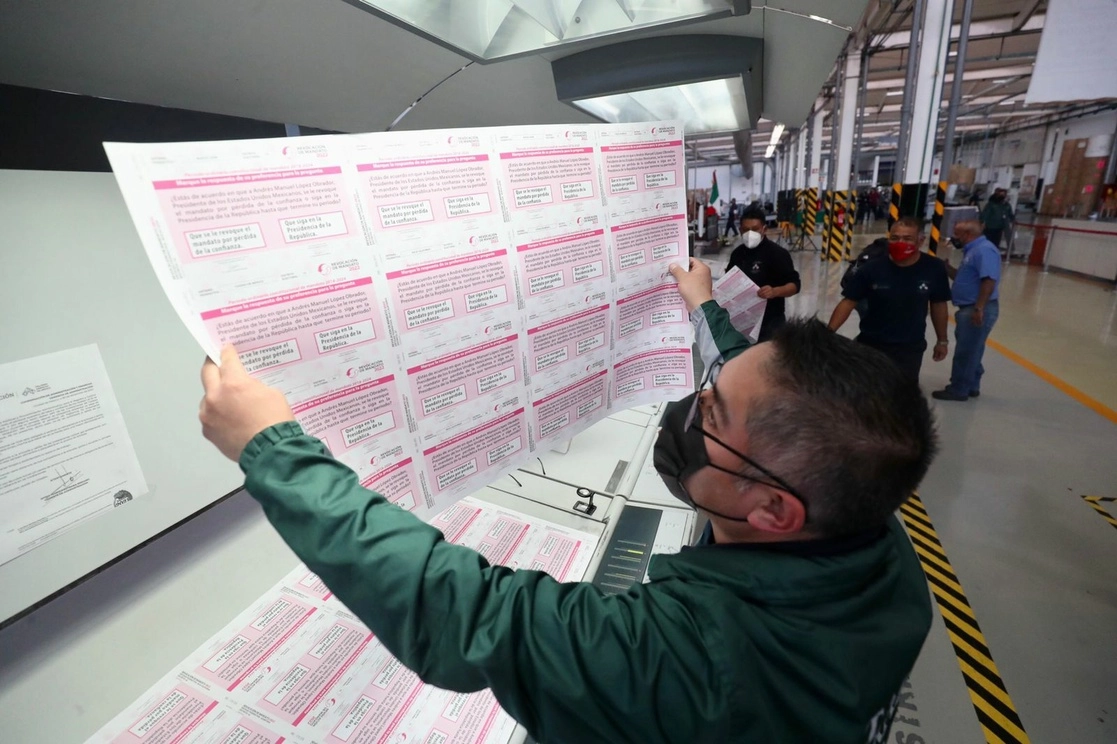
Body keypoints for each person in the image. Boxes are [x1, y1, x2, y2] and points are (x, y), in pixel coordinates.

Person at [198, 260, 935, 744]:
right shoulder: (865, 521)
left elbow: (469, 616)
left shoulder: (690, 655)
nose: (687, 407)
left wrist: (271, 449)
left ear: (774, 511)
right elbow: (749, 376)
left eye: (710, 415)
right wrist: (706, 307)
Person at [828, 217, 951, 383]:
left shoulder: (933, 268)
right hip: (871, 345)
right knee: (868, 392)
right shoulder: (871, 268)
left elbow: (938, 304)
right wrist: (828, 333)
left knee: (902, 395)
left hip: (909, 348)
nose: (900, 242)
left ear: (920, 241)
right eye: (895, 238)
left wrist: (942, 340)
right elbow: (848, 302)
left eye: (907, 238)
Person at [933, 219, 1002, 402]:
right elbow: (966, 278)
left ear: (968, 234)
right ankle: (971, 385)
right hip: (970, 306)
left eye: (957, 233)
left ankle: (958, 389)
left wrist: (979, 307)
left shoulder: (984, 250)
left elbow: (988, 280)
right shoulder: (972, 251)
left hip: (976, 307)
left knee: (966, 351)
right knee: (973, 348)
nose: (954, 237)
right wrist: (946, 268)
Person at [725, 206, 801, 341]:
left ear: (764, 229)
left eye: (754, 229)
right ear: (740, 230)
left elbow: (795, 285)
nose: (750, 233)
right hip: (741, 322)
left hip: (770, 323)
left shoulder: (778, 254)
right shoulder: (737, 254)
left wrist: (775, 291)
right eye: (746, 230)